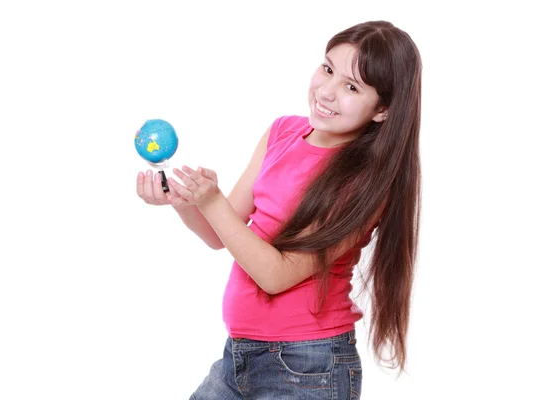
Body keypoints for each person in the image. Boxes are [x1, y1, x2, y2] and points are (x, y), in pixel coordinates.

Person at [137, 19, 422, 399]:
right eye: (327, 68)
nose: (327, 91)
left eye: (351, 86)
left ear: (383, 109)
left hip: (309, 365)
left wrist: (210, 200)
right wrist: (184, 201)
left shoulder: (363, 181)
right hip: (239, 354)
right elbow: (219, 235)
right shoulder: (282, 133)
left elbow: (275, 275)